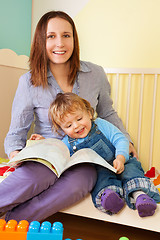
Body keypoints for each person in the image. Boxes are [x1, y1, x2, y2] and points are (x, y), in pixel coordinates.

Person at [1, 10, 136, 222]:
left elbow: (108, 113)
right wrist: (15, 153)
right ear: (41, 41)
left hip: (85, 155)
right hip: (48, 151)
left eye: (66, 35)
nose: (60, 43)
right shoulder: (28, 81)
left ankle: (14, 221)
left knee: (81, 183)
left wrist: (126, 141)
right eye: (51, 36)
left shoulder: (96, 73)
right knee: (37, 176)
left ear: (74, 38)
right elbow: (17, 130)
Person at [32, 92, 160, 217]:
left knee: (131, 171)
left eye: (79, 118)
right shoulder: (67, 142)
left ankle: (140, 197)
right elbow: (58, 152)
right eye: (69, 125)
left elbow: (120, 139)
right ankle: (111, 199)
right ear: (62, 129)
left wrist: (120, 157)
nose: (76, 126)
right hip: (100, 171)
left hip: (120, 160)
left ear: (88, 113)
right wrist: (44, 143)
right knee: (100, 181)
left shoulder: (100, 125)